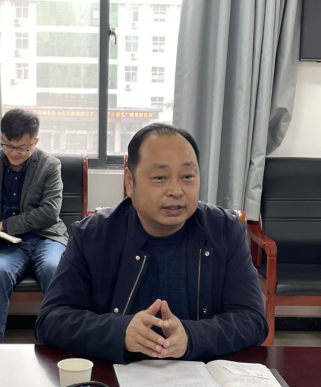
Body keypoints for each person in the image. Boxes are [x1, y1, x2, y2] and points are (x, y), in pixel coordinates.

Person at [35, 123, 267, 362]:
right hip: (116, 376)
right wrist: (121, 332)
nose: (176, 190)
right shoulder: (92, 236)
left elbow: (252, 319)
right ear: (130, 182)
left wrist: (191, 336)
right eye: (160, 177)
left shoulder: (225, 231)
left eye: (187, 176)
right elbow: (51, 320)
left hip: (200, 374)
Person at [0, 109, 68, 343]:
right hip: (9, 245)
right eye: (8, 145)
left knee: (54, 268)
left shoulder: (50, 165)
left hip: (46, 238)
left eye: (22, 148)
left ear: (35, 142)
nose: (14, 153)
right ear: (2, 137)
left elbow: (49, 212)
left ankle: (61, 346)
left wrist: (3, 225)